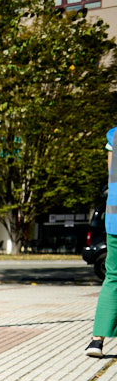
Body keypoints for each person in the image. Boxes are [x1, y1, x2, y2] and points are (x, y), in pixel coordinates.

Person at [86, 125, 117, 358]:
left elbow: (112, 177)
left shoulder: (114, 135)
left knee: (113, 277)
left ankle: (97, 341)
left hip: (115, 217)